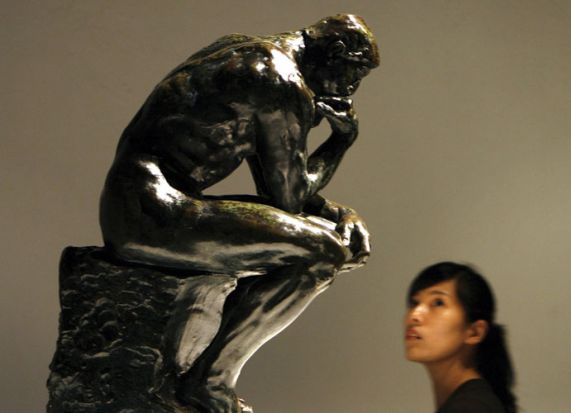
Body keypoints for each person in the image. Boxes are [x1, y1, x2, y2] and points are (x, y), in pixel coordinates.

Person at [99, 14, 379, 412]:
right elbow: (289, 197)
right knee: (323, 255)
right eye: (352, 79)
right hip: (152, 212)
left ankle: (205, 377)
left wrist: (335, 213)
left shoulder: (247, 50)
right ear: (334, 55)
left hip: (145, 199)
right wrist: (341, 140)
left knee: (319, 236)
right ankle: (209, 382)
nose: (349, 93)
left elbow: (280, 191)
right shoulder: (282, 82)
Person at [404, 262, 517, 413]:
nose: (414, 315)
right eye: (414, 303)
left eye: (438, 303)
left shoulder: (472, 407)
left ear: (474, 332)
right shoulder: (473, 402)